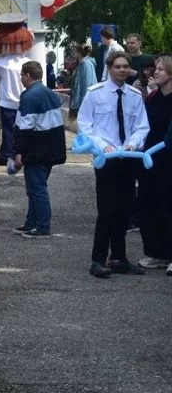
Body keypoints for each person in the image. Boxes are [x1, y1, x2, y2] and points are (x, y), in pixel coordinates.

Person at [77, 52, 150, 278]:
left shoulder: (134, 95)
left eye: (125, 66)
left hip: (128, 159)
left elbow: (141, 126)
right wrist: (102, 145)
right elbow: (85, 125)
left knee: (125, 210)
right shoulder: (95, 94)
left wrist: (133, 143)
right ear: (109, 68)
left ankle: (119, 258)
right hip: (106, 160)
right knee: (107, 210)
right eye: (117, 66)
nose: (122, 70)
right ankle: (97, 260)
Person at [12, 61, 66, 238]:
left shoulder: (29, 96)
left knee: (37, 188)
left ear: (28, 75)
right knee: (36, 187)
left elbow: (25, 127)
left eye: (22, 75)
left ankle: (42, 226)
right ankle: (31, 222)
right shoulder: (50, 93)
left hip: (36, 150)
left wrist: (18, 152)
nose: (21, 78)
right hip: (52, 149)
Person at [137, 56, 172, 270]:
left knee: (168, 206)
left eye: (160, 69)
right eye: (155, 69)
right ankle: (157, 252)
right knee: (148, 205)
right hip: (150, 160)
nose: (155, 72)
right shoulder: (153, 98)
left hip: (168, 161)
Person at [0, 14, 33, 165]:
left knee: (8, 130)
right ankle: (25, 154)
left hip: (7, 101)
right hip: (26, 101)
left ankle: (7, 155)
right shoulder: (29, 62)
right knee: (26, 129)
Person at [68, 44, 97, 124]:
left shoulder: (86, 64)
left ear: (79, 53)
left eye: (74, 51)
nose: (73, 53)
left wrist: (84, 102)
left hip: (84, 102)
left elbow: (87, 84)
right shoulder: (80, 64)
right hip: (79, 101)